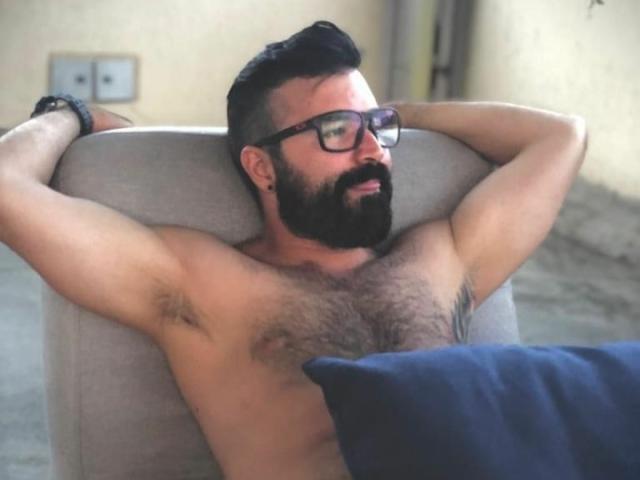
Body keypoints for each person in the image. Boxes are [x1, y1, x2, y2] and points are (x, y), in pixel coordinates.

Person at [0, 20, 586, 480]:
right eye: (337, 131)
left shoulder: (442, 257)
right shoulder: (205, 285)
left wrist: (399, 114)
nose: (373, 151)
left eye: (376, 128)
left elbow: (560, 137)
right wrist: (70, 112)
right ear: (261, 167)